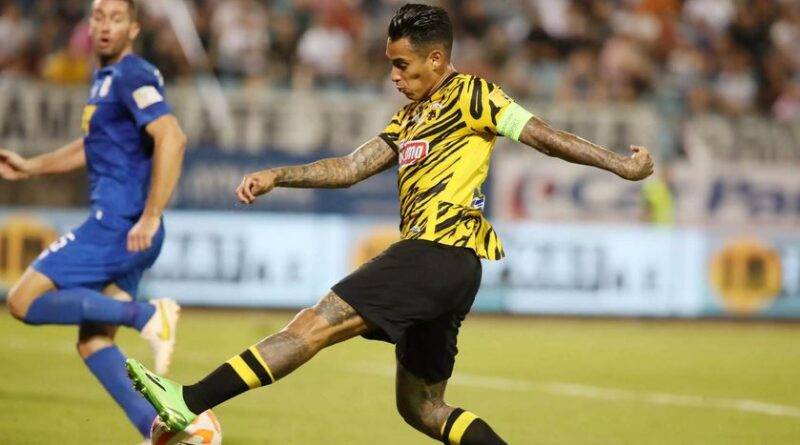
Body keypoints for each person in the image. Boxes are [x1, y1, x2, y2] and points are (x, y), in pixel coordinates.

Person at [127, 4, 653, 444]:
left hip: (438, 251)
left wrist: (621, 165)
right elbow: (350, 167)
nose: (394, 77)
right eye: (391, 66)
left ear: (436, 58)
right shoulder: (408, 119)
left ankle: (189, 400)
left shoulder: (476, 95)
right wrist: (279, 175)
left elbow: (545, 136)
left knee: (314, 323)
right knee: (422, 408)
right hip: (450, 269)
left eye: (402, 65)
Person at [0, 0, 186, 441]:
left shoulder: (131, 74)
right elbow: (93, 145)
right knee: (94, 341)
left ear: (134, 28)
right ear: (90, 24)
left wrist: (150, 214)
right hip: (130, 228)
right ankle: (157, 428)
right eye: (99, 17)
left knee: (21, 301)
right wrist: (32, 166)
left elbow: (172, 137)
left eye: (116, 19)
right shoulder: (105, 79)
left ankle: (146, 314)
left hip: (118, 225)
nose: (105, 26)